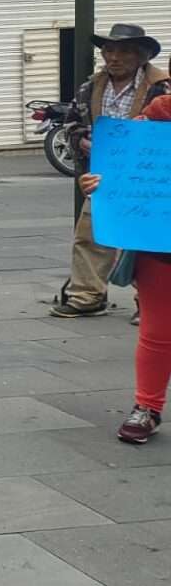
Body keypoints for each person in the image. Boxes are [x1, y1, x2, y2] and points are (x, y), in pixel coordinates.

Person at [53, 23, 169, 319]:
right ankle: (86, 295)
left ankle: (148, 302)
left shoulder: (161, 87)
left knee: (145, 237)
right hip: (105, 170)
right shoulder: (91, 85)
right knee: (90, 232)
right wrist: (82, 140)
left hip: (148, 176)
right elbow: (72, 121)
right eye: (108, 50)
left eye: (123, 51)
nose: (114, 57)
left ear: (142, 56)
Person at [80, 92, 171, 442]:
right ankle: (147, 407)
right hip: (159, 247)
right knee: (157, 332)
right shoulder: (148, 123)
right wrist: (94, 184)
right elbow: (113, 173)